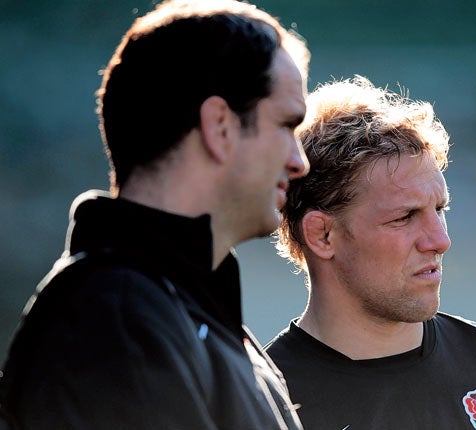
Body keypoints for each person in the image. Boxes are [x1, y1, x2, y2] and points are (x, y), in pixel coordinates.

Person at [0, 0, 310, 428]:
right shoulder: (114, 318)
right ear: (220, 126)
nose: (300, 161)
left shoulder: (182, 311)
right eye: (286, 125)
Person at [265, 76, 476, 429]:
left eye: (440, 210)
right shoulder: (260, 405)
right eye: (405, 217)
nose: (439, 240)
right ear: (322, 235)